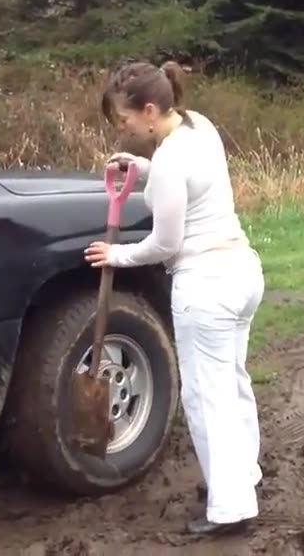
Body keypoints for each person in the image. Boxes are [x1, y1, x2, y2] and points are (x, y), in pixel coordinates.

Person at [84, 60, 265, 537]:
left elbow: (164, 245)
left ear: (148, 111)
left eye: (124, 122)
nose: (123, 131)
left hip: (205, 285)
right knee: (232, 380)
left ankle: (230, 510)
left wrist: (115, 255)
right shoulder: (197, 125)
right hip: (243, 273)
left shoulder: (168, 163)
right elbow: (189, 177)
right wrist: (141, 167)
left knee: (206, 397)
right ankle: (243, 476)